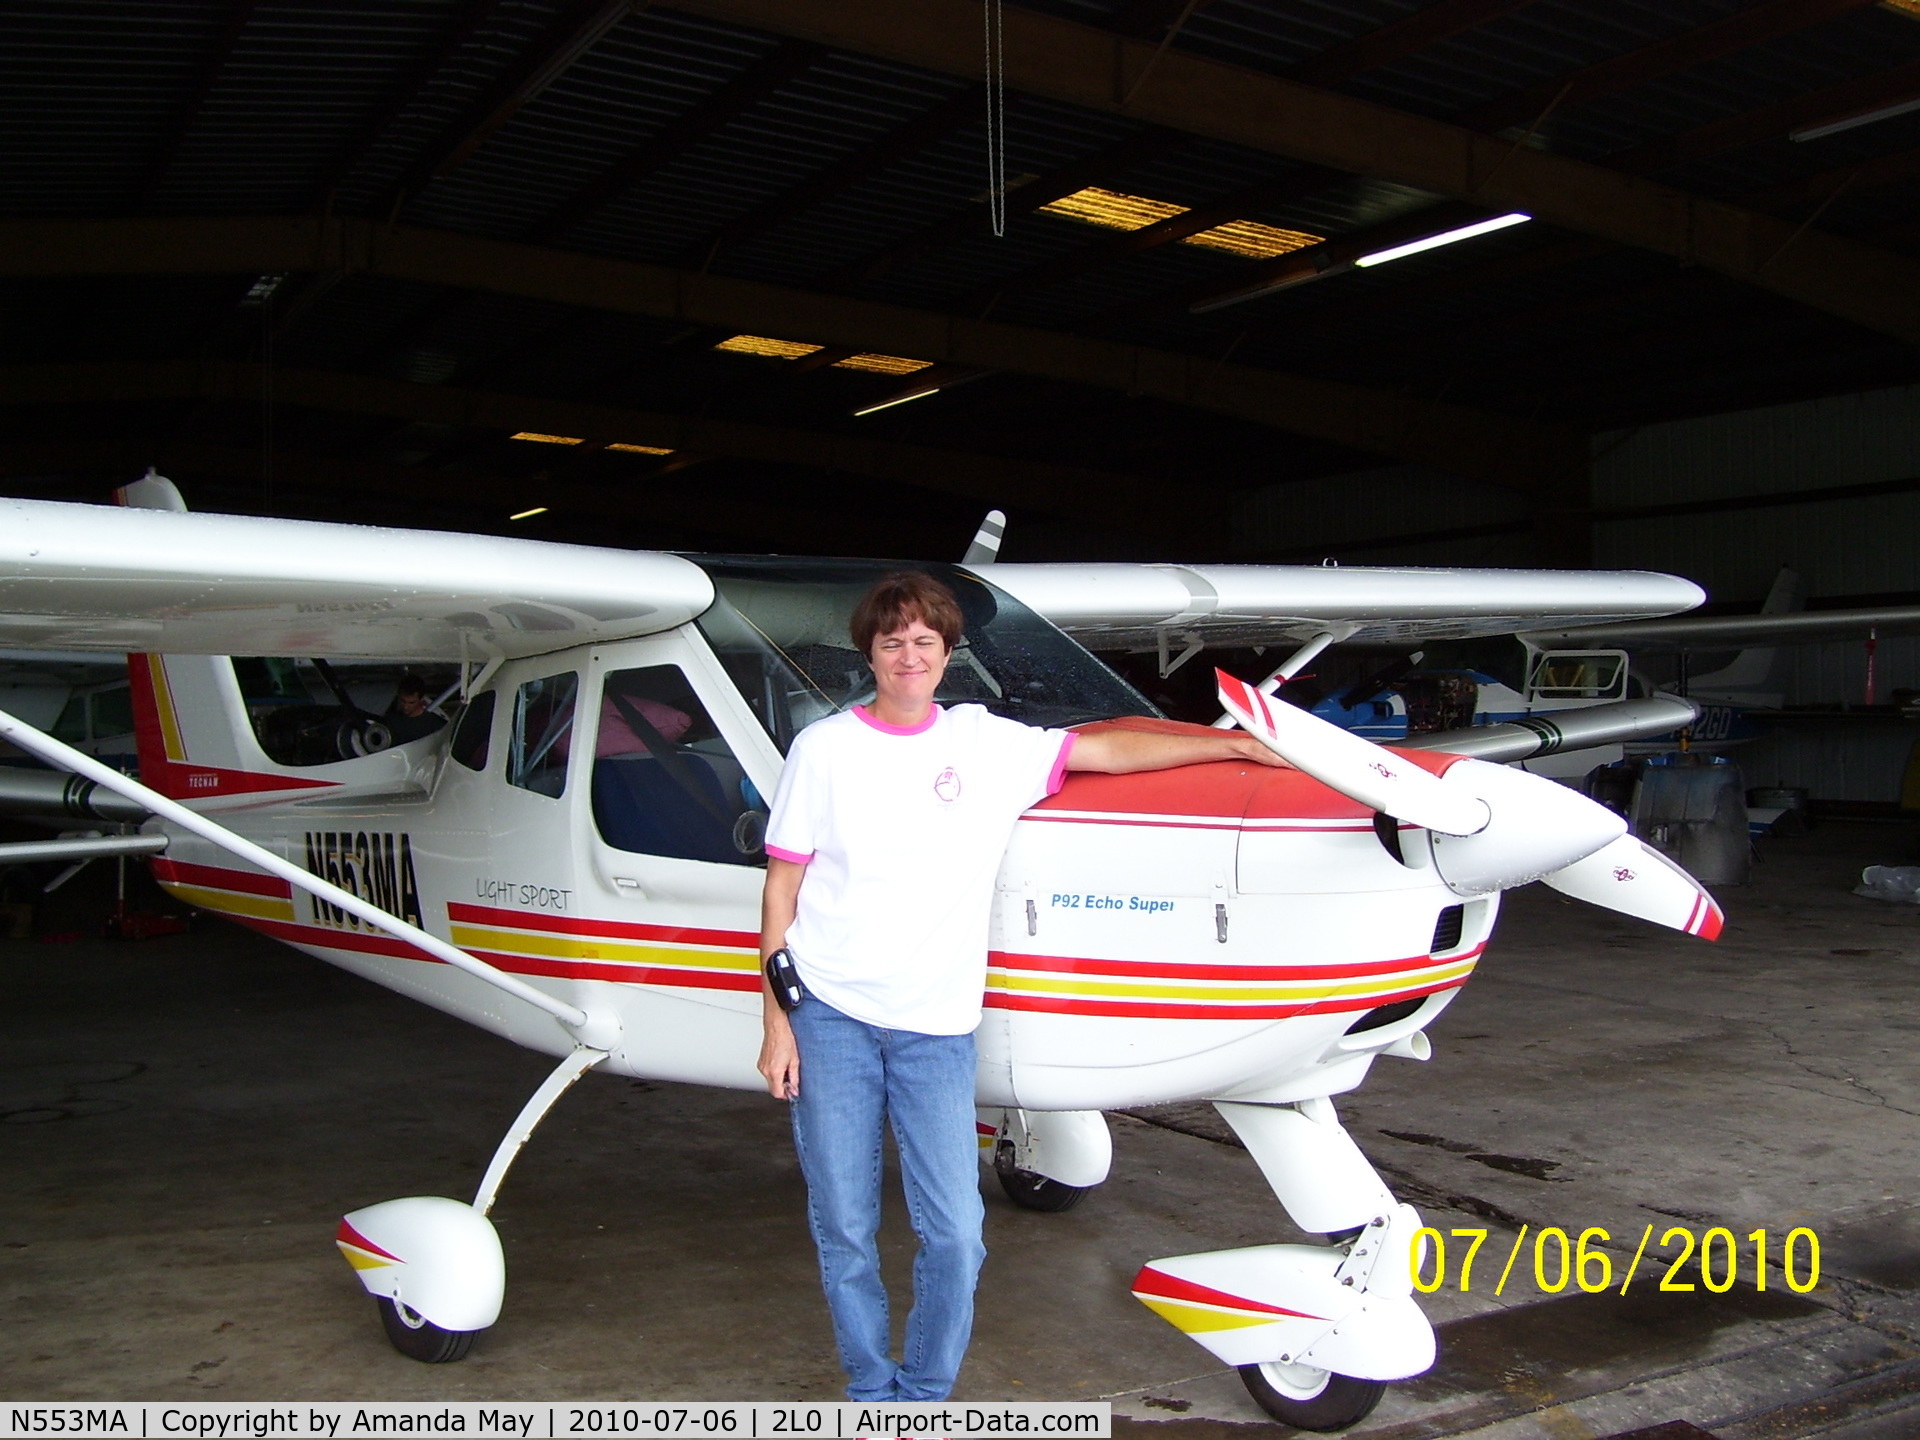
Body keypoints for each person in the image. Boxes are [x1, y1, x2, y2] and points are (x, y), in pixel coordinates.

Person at [757, 571, 1289, 1403]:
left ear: (946, 653)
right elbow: (781, 890)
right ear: (869, 651)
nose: (908, 654)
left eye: (924, 641)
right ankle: (870, 1387)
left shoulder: (984, 740)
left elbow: (1106, 749)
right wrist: (778, 1023)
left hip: (936, 1026)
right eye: (892, 640)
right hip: (830, 1012)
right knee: (847, 1226)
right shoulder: (823, 749)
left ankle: (923, 1393)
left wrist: (1229, 744)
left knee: (958, 1235)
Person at [384, 674, 447, 744]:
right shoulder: (390, 721)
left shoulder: (435, 725)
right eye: (403, 701)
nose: (406, 707)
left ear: (421, 700)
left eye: (411, 703)